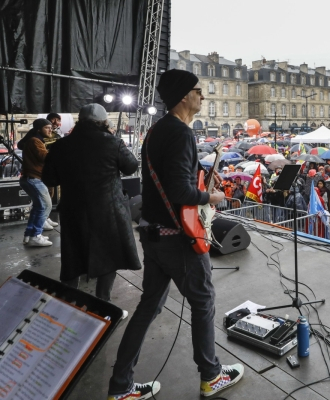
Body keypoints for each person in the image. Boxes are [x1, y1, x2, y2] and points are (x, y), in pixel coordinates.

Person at [107, 69, 243, 400]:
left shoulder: (156, 131)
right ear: (184, 96)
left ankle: (120, 386)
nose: (203, 96)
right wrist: (213, 197)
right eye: (199, 91)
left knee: (149, 307)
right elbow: (181, 191)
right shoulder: (181, 133)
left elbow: (165, 185)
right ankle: (211, 376)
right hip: (175, 239)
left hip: (152, 235)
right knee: (204, 301)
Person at [42, 104, 141, 302]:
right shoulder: (113, 142)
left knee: (73, 256)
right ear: (104, 121)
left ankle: (68, 301)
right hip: (109, 212)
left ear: (80, 121)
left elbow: (49, 179)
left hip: (73, 211)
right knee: (109, 256)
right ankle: (103, 302)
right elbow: (131, 167)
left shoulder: (61, 145)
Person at [17, 119, 54, 246]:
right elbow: (44, 157)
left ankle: (29, 235)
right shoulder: (34, 141)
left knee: (38, 207)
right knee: (46, 206)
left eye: (51, 127)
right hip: (34, 179)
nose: (51, 130)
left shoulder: (34, 140)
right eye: (47, 128)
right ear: (38, 129)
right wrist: (57, 151)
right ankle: (35, 235)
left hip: (31, 178)